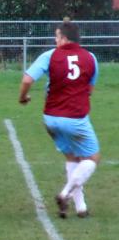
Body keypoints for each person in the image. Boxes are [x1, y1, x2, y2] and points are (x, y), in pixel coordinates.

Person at [19, 18, 100, 218]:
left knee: (73, 156)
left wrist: (23, 97)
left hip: (51, 118)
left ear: (64, 38)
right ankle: (65, 194)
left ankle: (81, 208)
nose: (55, 41)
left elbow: (27, 79)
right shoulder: (90, 58)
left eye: (56, 37)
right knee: (92, 158)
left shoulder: (49, 55)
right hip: (76, 117)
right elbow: (89, 89)